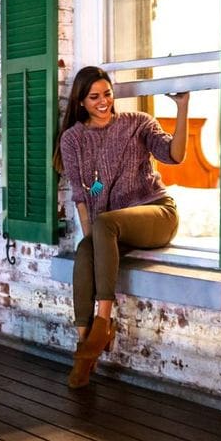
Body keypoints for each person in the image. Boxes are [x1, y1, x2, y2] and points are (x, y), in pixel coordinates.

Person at [54, 66, 189, 388]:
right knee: (85, 250)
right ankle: (83, 346)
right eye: (94, 97)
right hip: (111, 226)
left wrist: (182, 108)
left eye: (108, 94)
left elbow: (175, 155)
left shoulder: (137, 124)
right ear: (82, 101)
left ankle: (103, 323)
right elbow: (82, 197)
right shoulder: (73, 139)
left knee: (104, 226)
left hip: (156, 213)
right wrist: (93, 244)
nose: (103, 102)